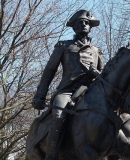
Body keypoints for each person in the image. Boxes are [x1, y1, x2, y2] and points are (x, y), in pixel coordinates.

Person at [32, 10, 104, 160]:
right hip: (67, 92)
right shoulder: (64, 46)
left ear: (90, 27)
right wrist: (40, 96)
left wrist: (96, 72)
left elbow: (103, 77)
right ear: (73, 27)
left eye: (86, 23)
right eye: (80, 22)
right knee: (59, 117)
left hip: (90, 93)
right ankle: (51, 156)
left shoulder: (97, 51)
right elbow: (49, 71)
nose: (83, 25)